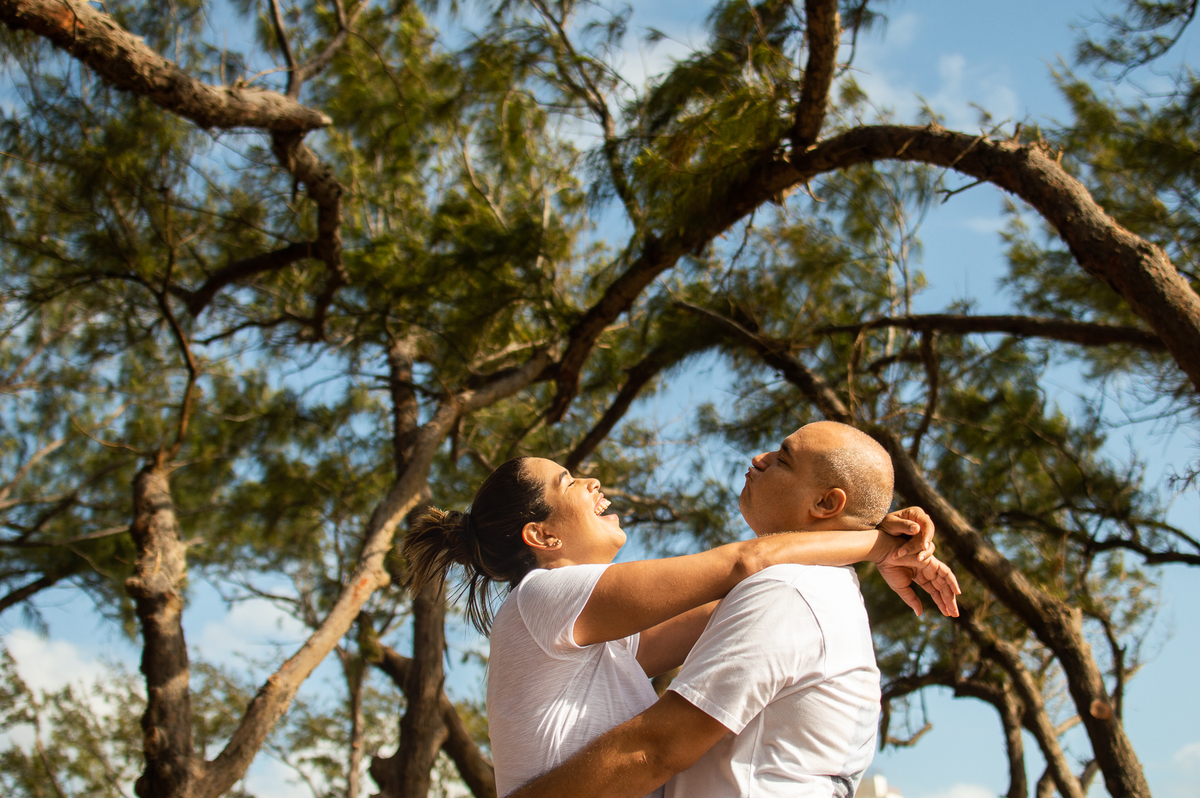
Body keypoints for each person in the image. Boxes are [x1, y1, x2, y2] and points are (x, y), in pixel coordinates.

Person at [403, 447, 958, 798]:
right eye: (568, 482)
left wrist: (865, 537)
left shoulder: (591, 638)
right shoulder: (543, 596)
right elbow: (743, 564)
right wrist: (878, 543)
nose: (591, 482)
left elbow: (736, 609)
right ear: (542, 538)